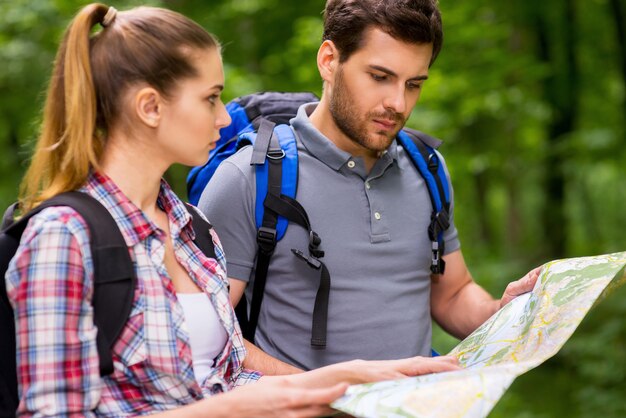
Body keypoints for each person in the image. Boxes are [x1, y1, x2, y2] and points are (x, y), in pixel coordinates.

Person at [4, 3, 461, 417]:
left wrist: (352, 382)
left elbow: (221, 376)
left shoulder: (192, 229)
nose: (225, 119)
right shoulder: (64, 236)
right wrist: (239, 408)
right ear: (149, 107)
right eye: (210, 98)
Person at [198, 0, 542, 373]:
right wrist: (332, 395)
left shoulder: (428, 169)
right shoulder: (249, 178)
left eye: (413, 84)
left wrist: (503, 312)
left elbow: (452, 295)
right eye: (380, 77)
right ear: (329, 60)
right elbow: (212, 338)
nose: (397, 103)